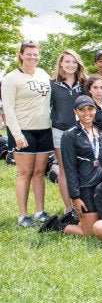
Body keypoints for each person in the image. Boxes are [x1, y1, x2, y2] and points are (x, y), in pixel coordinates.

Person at [40, 95, 102, 236]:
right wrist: (75, 197)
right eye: (82, 110)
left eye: (90, 109)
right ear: (75, 111)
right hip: (85, 186)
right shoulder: (70, 135)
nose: (87, 113)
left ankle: (75, 220)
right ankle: (56, 225)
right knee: (90, 233)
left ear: (96, 110)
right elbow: (70, 168)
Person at [2, 40, 53, 227]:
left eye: (36, 54)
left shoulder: (43, 74)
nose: (33, 57)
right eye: (29, 53)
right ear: (21, 55)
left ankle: (40, 211)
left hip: (44, 129)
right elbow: (8, 108)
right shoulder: (11, 78)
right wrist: (17, 134)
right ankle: (23, 215)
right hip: (23, 131)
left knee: (39, 172)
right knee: (25, 173)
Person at [50, 49, 88, 214]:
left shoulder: (84, 83)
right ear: (61, 63)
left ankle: (81, 203)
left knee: (80, 167)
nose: (71, 65)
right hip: (60, 131)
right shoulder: (52, 84)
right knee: (65, 168)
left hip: (81, 131)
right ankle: (68, 207)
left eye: (74, 62)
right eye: (67, 62)